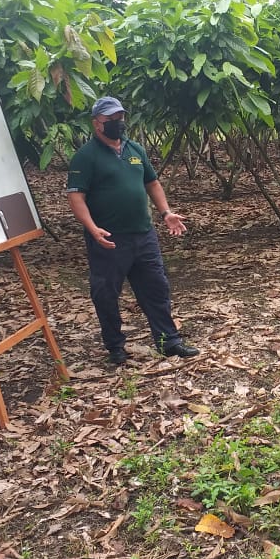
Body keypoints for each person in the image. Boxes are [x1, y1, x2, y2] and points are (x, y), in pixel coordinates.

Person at [66, 96, 200, 365]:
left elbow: (152, 183)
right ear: (96, 123)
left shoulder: (134, 149)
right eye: (110, 119)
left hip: (143, 234)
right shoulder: (86, 156)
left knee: (156, 287)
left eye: (120, 117)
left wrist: (166, 213)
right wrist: (92, 229)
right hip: (109, 238)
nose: (117, 122)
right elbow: (76, 196)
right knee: (106, 293)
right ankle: (115, 346)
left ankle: (168, 341)